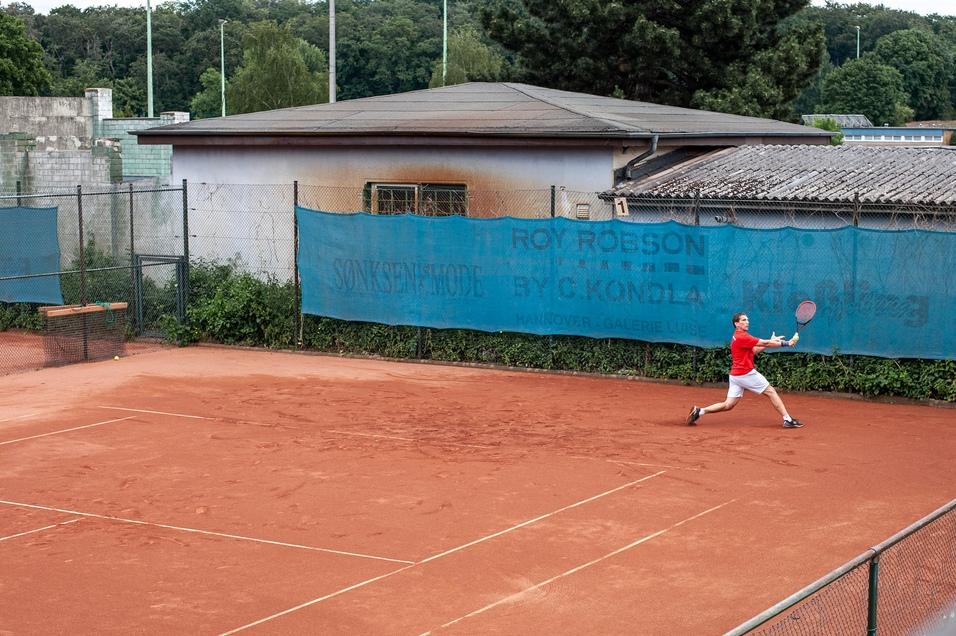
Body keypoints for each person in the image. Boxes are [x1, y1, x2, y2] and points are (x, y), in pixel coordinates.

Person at [686, 312, 803, 429]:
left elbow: (753, 351)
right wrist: (788, 343)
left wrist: (771, 341)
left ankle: (700, 411)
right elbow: (765, 342)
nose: (747, 322)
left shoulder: (738, 336)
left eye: (747, 320)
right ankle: (787, 419)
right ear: (736, 324)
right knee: (771, 391)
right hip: (746, 373)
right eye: (743, 320)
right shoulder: (743, 337)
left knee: (728, 405)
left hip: (736, 376)